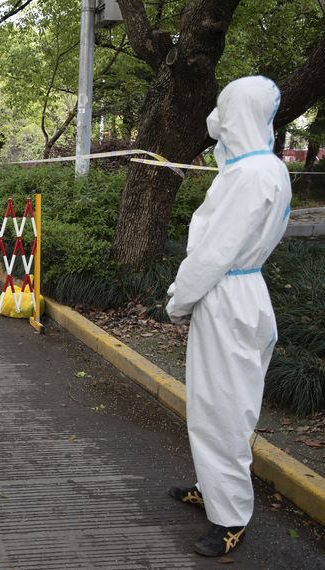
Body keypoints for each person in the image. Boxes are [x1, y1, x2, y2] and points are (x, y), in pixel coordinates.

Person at [165, 76, 291, 558]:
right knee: (220, 403)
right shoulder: (265, 168)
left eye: (222, 106)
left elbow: (213, 254)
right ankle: (214, 489)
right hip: (242, 292)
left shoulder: (249, 176)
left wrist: (179, 300)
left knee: (222, 409)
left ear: (237, 111)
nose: (215, 118)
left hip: (225, 295)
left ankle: (230, 517)